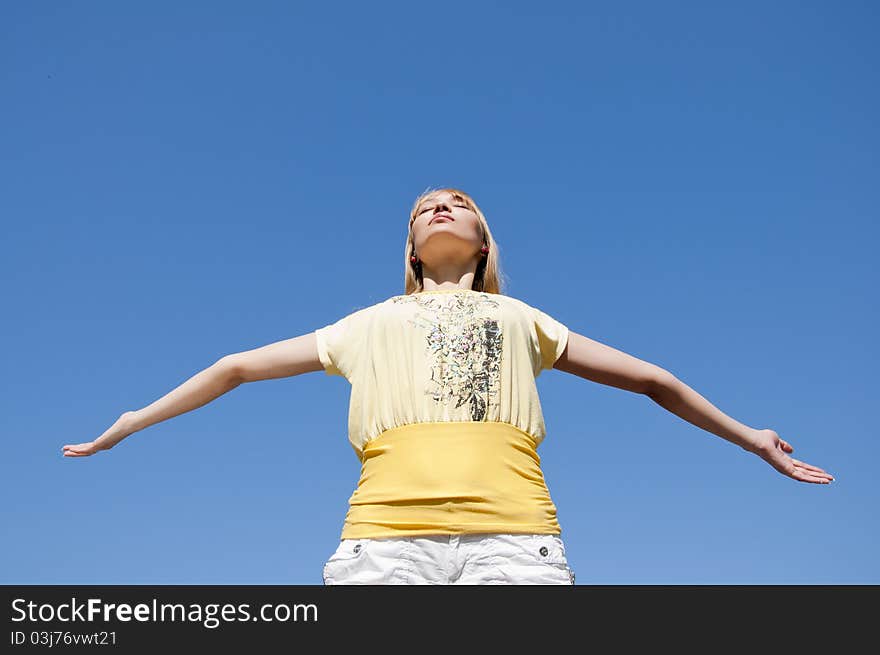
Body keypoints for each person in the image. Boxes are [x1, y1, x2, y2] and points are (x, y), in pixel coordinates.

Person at [62, 187, 835, 585]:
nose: (441, 205)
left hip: (517, 543)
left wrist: (750, 436)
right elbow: (233, 366)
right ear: (409, 244)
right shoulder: (361, 324)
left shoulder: (525, 319)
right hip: (381, 546)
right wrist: (134, 418)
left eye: (459, 202)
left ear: (482, 237)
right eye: (424, 206)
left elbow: (654, 380)